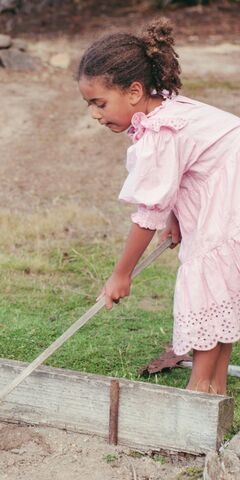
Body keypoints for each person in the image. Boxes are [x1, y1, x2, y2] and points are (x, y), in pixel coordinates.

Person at [77, 18, 240, 395]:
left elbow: (148, 211)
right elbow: (185, 174)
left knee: (207, 280)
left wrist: (122, 274)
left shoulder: (158, 132)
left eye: (99, 103)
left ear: (134, 91)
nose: (95, 114)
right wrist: (179, 219)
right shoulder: (168, 111)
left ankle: (199, 390)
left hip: (230, 194)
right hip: (227, 187)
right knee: (222, 288)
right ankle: (215, 390)